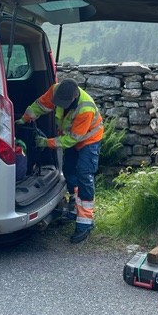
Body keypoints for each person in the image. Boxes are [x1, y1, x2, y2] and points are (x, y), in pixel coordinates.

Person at [16, 78, 103, 243]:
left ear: (75, 96)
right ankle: (73, 208)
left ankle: (85, 223)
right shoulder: (56, 90)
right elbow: (41, 105)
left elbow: (73, 139)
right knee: (69, 172)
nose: (61, 106)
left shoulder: (85, 108)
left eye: (65, 103)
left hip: (88, 141)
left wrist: (47, 143)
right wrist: (25, 119)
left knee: (83, 174)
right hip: (70, 137)